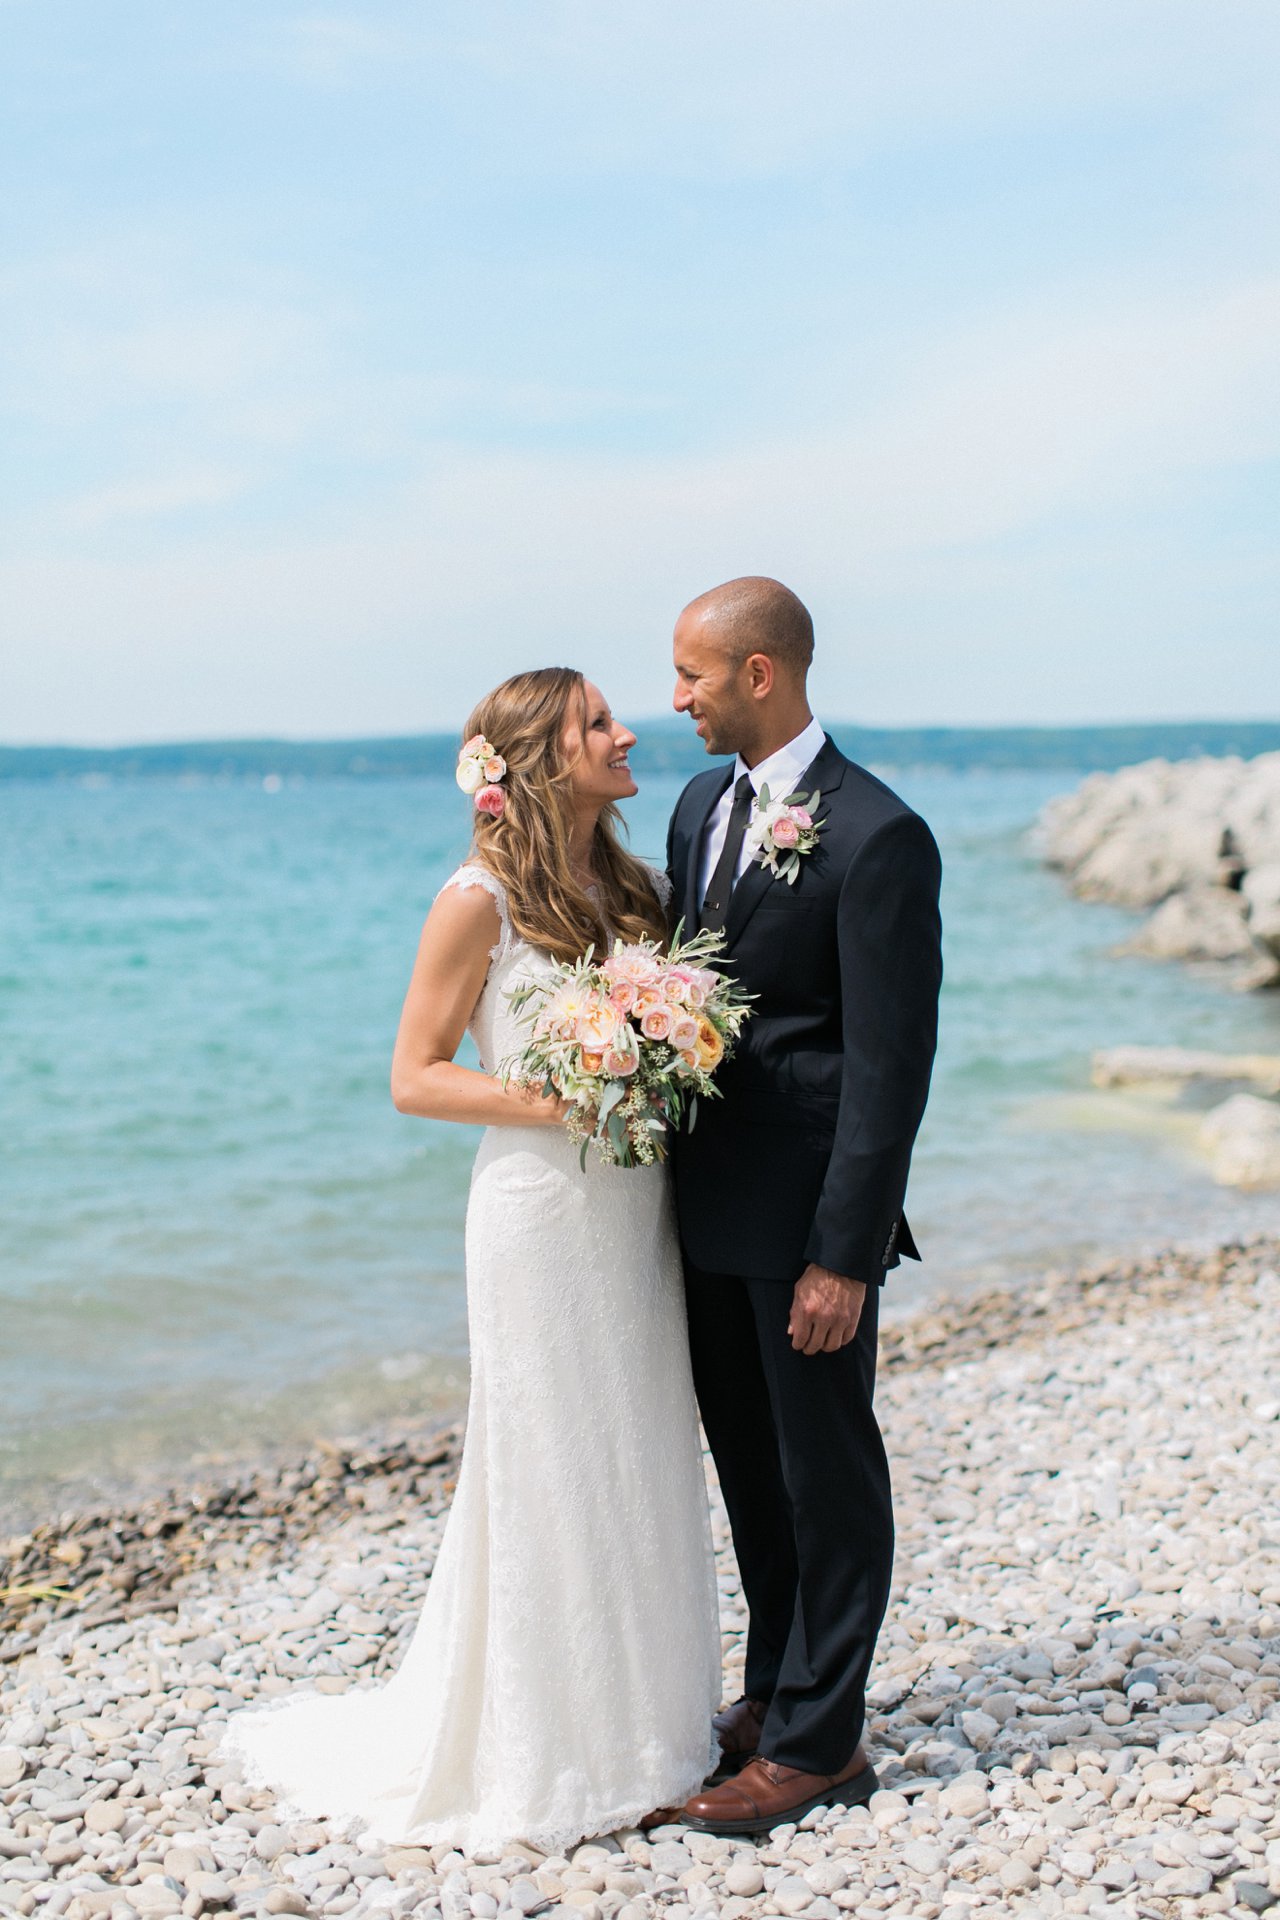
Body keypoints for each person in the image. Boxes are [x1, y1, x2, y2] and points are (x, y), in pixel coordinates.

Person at [222, 667, 721, 1854]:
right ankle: (548, 1752)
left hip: (635, 1211)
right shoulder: (474, 900)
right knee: (550, 1460)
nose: (625, 732)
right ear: (538, 761)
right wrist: (569, 1098)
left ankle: (651, 1728)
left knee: (639, 1447)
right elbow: (415, 1076)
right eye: (595, 723)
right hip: (539, 1216)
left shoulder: (639, 889)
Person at [665, 578, 943, 1835]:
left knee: (826, 1476)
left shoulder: (879, 835)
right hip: (706, 1208)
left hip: (807, 1226)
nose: (676, 698)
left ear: (759, 672)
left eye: (692, 675)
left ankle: (822, 1743)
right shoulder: (697, 807)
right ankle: (775, 1691)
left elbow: (888, 1068)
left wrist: (845, 1256)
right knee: (749, 1467)